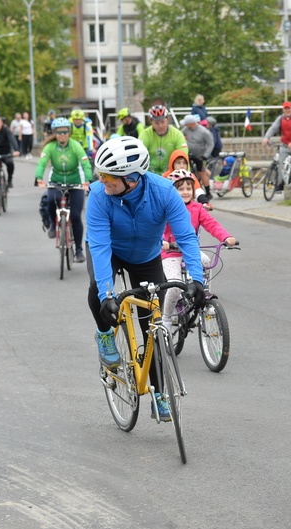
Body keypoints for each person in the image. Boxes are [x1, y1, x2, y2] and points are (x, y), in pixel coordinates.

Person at [85, 136, 206, 422]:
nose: (102, 181)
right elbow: (100, 247)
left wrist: (197, 280)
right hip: (111, 252)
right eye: (100, 174)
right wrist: (106, 296)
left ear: (132, 178)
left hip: (146, 257)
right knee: (96, 291)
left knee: (152, 328)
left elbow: (186, 236)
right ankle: (105, 335)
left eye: (108, 177)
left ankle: (160, 393)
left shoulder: (164, 192)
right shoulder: (99, 196)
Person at [160, 169, 237, 332]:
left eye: (189, 188)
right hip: (170, 253)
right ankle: (166, 316)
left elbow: (212, 224)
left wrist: (226, 238)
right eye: (180, 189)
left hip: (190, 251)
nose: (185, 192)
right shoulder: (166, 208)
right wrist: (163, 241)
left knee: (206, 261)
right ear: (172, 192)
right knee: (175, 285)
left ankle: (204, 294)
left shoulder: (197, 208)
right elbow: (157, 229)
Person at [35, 117, 92, 261]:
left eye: (65, 132)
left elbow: (85, 163)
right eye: (59, 132)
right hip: (56, 181)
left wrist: (87, 180)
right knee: (49, 200)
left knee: (75, 216)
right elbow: (42, 163)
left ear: (69, 132)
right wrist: (39, 178)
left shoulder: (75, 146)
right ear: (55, 133)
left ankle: (78, 250)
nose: (62, 135)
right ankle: (54, 225)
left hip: (75, 183)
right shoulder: (50, 147)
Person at [262, 101, 291, 189]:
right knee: (280, 162)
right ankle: (281, 183)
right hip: (285, 145)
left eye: (289, 108)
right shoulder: (280, 118)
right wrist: (266, 138)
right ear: (283, 109)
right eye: (285, 108)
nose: (287, 110)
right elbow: (273, 128)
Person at [138, 104, 188, 175]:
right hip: (150, 174)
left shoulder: (177, 134)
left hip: (171, 174)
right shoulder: (145, 135)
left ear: (168, 119)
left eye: (163, 122)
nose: (160, 126)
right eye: (156, 123)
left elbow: (183, 156)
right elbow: (139, 155)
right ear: (151, 121)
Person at [180, 114, 214, 197]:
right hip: (189, 154)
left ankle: (208, 192)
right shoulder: (186, 129)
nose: (185, 125)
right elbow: (179, 136)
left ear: (191, 123)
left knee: (202, 172)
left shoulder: (204, 131)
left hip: (200, 155)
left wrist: (206, 155)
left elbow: (210, 144)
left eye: (186, 124)